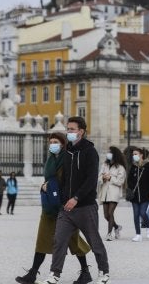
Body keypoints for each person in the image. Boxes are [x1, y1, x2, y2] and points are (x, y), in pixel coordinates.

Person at [15, 132, 93, 284]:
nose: (52, 144)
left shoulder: (68, 159)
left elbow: (69, 181)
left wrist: (50, 186)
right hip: (49, 205)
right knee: (42, 238)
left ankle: (85, 272)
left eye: (56, 142)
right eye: (51, 142)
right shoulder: (51, 159)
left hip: (65, 205)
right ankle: (32, 273)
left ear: (63, 144)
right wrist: (46, 186)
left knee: (73, 240)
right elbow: (50, 179)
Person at [43, 117, 110, 284]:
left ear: (81, 131)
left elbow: (91, 179)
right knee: (59, 241)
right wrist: (55, 191)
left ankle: (104, 272)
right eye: (68, 129)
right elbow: (64, 178)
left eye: (72, 129)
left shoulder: (90, 151)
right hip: (66, 208)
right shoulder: (67, 152)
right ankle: (54, 274)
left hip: (85, 206)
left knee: (94, 241)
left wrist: (76, 198)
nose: (69, 132)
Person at [127, 146, 149, 242]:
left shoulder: (148, 166)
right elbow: (129, 180)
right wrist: (131, 189)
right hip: (135, 195)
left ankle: (148, 226)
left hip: (145, 194)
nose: (134, 156)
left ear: (141, 155)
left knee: (142, 213)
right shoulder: (133, 166)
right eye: (133, 154)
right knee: (136, 215)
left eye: (136, 154)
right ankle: (138, 234)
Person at [98, 146, 126, 241]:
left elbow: (120, 181)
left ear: (115, 154)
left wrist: (110, 178)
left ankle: (109, 234)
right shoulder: (104, 165)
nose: (108, 154)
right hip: (105, 192)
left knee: (110, 213)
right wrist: (103, 178)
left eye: (110, 152)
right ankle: (117, 227)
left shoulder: (120, 168)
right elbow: (99, 177)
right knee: (106, 215)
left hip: (114, 192)